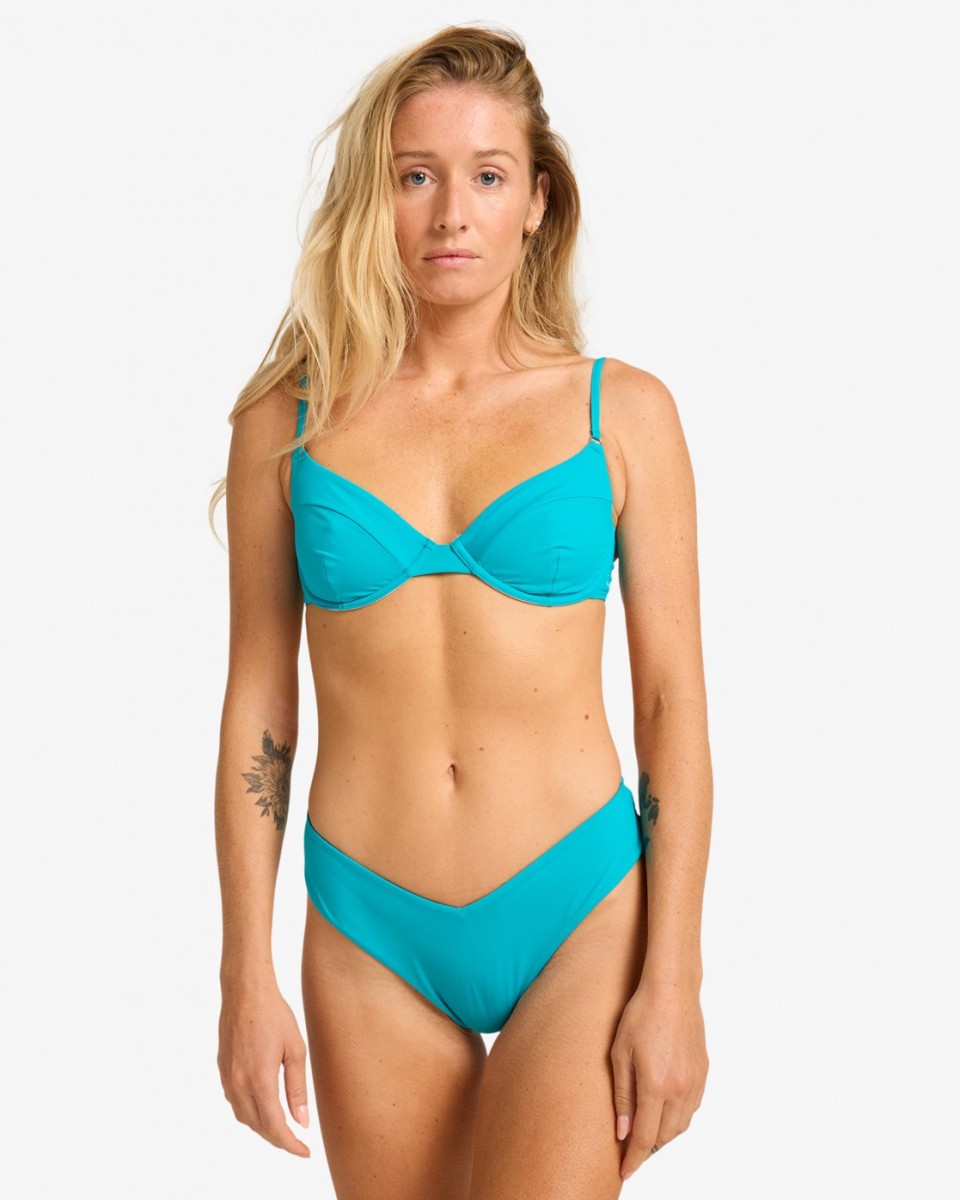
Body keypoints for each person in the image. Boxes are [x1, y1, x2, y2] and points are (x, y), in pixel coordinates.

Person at [211, 22, 711, 1198]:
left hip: (578, 909)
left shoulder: (621, 414)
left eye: (488, 176)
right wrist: (243, 969)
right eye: (415, 176)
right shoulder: (285, 420)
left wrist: (676, 978)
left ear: (537, 200)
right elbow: (258, 702)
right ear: (372, 197)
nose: (451, 214)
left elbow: (672, 705)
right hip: (368, 922)